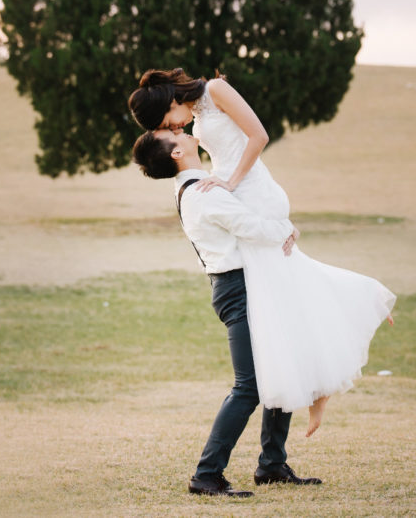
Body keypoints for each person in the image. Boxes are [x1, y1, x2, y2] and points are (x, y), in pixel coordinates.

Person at [129, 69, 396, 433]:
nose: (177, 129)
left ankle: (349, 331)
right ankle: (318, 392)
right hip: (232, 192)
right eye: (169, 128)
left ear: (171, 101)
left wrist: (230, 182)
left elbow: (259, 135)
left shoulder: (216, 91)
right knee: (289, 309)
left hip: (248, 187)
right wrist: (224, 186)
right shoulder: (197, 118)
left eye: (168, 122)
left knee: (295, 295)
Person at [132, 128, 322, 496]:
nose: (182, 131)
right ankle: (207, 474)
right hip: (238, 289)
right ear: (175, 154)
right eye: (173, 134)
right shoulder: (203, 194)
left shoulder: (202, 184)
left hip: (249, 283)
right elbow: (250, 227)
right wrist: (287, 228)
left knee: (278, 367)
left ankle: (271, 464)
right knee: (249, 385)